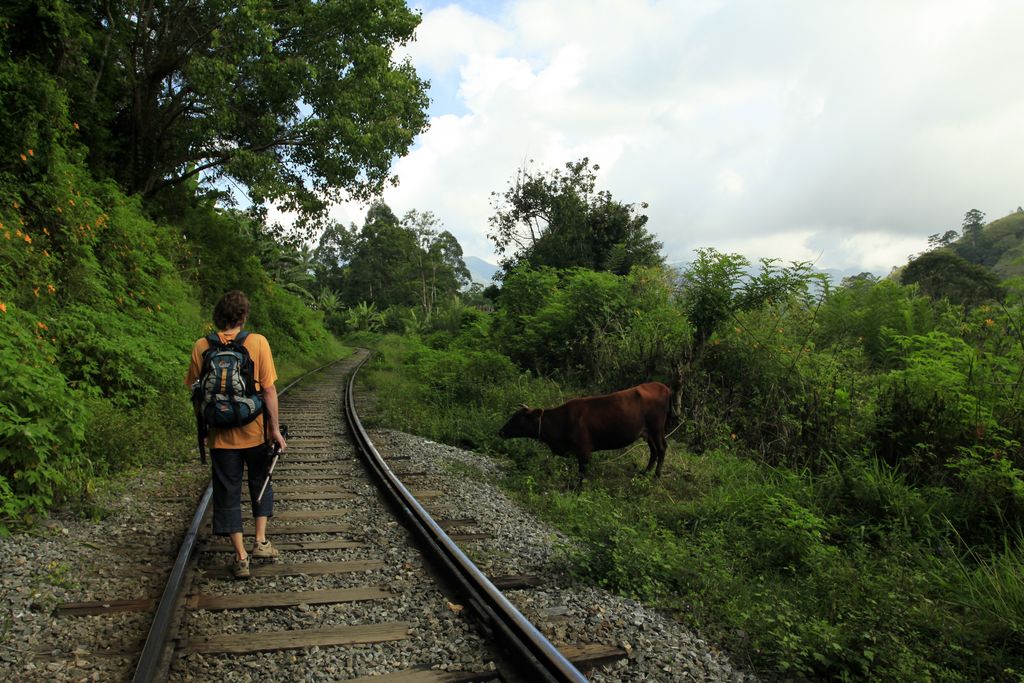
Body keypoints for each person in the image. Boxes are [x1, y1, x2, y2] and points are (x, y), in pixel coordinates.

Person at [185, 290, 288, 579]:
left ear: (217, 316)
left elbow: (195, 391)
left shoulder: (201, 346)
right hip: (255, 431)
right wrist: (274, 429)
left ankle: (241, 557)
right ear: (243, 316)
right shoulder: (257, 342)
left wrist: (204, 428)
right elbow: (268, 390)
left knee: (227, 492)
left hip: (220, 436)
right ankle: (261, 542)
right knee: (260, 482)